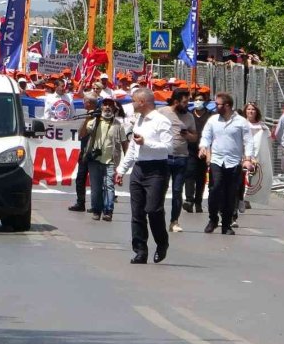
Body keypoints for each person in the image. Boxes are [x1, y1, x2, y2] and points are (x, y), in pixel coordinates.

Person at [116, 88, 172, 264]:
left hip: (157, 169)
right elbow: (133, 149)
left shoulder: (161, 121)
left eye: (134, 101)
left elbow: (168, 147)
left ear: (142, 102)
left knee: (153, 210)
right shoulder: (138, 121)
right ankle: (140, 250)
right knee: (137, 213)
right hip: (139, 168)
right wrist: (121, 170)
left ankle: (162, 243)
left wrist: (146, 143)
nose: (132, 104)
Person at [198, 92, 254, 235]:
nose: (215, 106)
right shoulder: (213, 120)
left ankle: (226, 224)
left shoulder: (241, 122)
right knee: (215, 188)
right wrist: (203, 147)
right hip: (217, 160)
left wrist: (247, 159)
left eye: (218, 104)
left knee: (231, 194)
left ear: (227, 105)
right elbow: (206, 136)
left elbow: (248, 141)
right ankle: (213, 219)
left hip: (234, 162)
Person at [79, 98, 128, 221]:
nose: (107, 107)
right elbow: (82, 134)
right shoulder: (94, 121)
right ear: (101, 108)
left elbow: (124, 143)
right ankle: (96, 210)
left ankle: (108, 211)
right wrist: (87, 119)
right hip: (94, 160)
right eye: (105, 105)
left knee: (109, 186)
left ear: (114, 109)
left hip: (110, 161)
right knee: (95, 187)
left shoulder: (118, 125)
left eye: (110, 105)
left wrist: (126, 162)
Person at [157, 89, 196, 233]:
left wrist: (187, 135)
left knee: (177, 190)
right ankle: (158, 218)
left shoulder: (189, 117)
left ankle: (174, 221)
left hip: (181, 158)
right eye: (185, 102)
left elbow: (195, 137)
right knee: (161, 189)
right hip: (164, 157)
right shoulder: (162, 112)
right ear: (176, 101)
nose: (187, 105)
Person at [241, 102, 273, 211]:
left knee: (253, 177)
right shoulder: (242, 124)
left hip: (257, 155)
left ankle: (247, 198)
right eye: (248, 109)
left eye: (253, 109)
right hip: (244, 154)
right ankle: (242, 198)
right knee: (243, 176)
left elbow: (267, 140)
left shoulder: (262, 126)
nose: (250, 111)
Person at [183, 91, 211, 214]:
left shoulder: (210, 116)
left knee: (201, 178)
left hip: (205, 151)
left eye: (200, 99)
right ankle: (189, 200)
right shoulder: (189, 115)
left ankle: (198, 202)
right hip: (190, 150)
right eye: (196, 99)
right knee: (189, 174)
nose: (198, 102)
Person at [69, 96, 98, 213]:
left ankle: (96, 205)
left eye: (85, 101)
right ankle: (80, 203)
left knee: (96, 180)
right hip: (84, 152)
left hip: (94, 152)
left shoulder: (97, 117)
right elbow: (81, 134)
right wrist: (86, 119)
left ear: (90, 103)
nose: (83, 103)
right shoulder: (87, 116)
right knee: (80, 179)